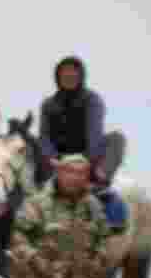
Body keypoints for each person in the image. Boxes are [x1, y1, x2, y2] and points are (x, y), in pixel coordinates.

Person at [39, 57, 125, 186]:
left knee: (117, 138)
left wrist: (83, 163)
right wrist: (54, 160)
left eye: (73, 72)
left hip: (88, 159)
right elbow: (44, 137)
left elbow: (95, 133)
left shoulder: (92, 99)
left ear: (80, 76)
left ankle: (99, 180)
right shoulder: (48, 104)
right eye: (65, 72)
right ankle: (44, 182)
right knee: (28, 144)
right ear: (58, 77)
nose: (69, 75)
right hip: (58, 160)